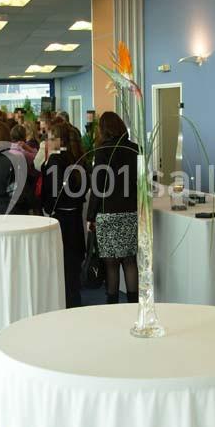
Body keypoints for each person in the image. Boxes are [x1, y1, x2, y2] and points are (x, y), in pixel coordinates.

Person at [87, 112, 140, 304]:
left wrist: (90, 216)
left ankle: (112, 305)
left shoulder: (102, 151)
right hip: (130, 212)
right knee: (129, 260)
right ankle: (134, 304)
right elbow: (142, 182)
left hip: (108, 212)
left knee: (111, 264)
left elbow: (97, 187)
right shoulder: (136, 149)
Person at [42, 122, 88, 308]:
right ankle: (74, 304)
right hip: (76, 218)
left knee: (62, 270)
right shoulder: (78, 157)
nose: (47, 141)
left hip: (61, 220)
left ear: (59, 140)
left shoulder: (55, 161)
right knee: (73, 270)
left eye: (50, 138)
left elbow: (50, 193)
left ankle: (65, 307)